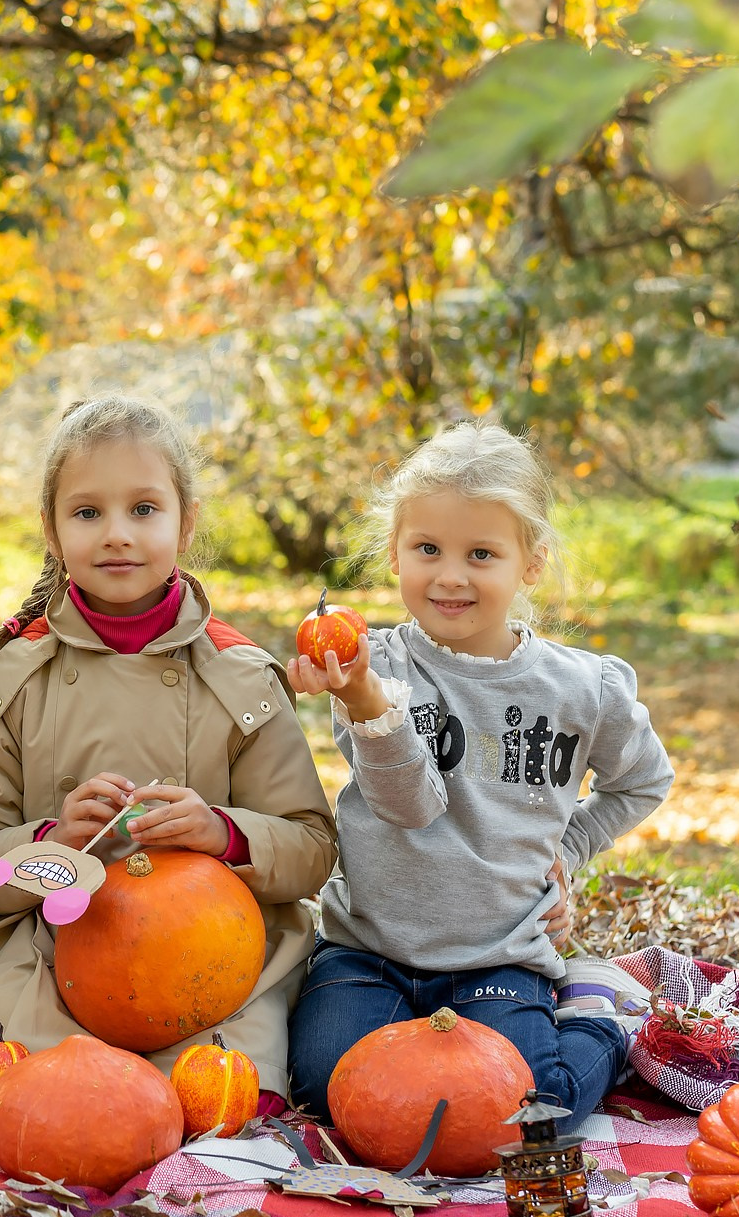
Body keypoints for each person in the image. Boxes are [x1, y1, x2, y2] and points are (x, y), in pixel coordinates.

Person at [0, 396, 338, 1097]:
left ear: (186, 523)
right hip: (56, 953)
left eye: (144, 509)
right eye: (88, 512)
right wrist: (53, 840)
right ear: (52, 532)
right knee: (50, 1099)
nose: (117, 533)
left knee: (211, 1098)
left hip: (216, 959)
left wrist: (223, 832)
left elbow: (311, 849)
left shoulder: (240, 678)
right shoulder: (15, 677)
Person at [285, 421, 673, 1126]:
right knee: (325, 1085)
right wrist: (367, 702)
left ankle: (602, 1023)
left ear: (530, 562)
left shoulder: (582, 688)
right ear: (396, 553)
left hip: (499, 956)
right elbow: (409, 805)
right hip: (370, 948)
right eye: (427, 548)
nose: (451, 574)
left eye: (482, 553)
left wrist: (571, 848)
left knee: (531, 1110)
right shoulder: (372, 669)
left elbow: (643, 779)